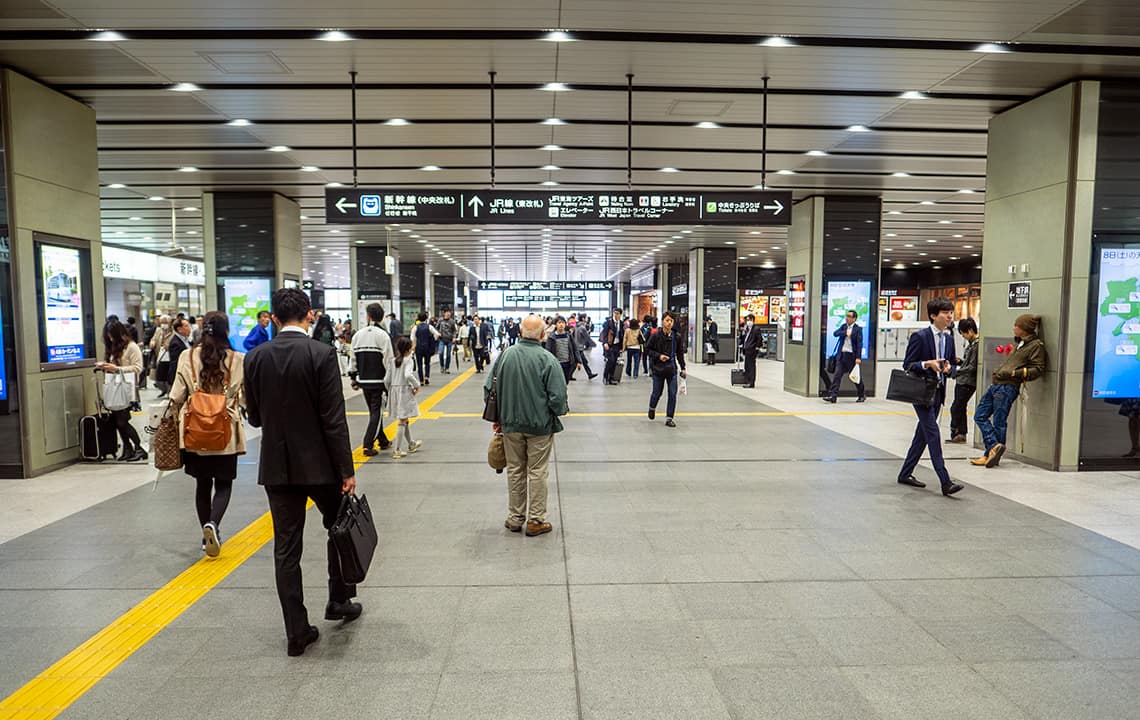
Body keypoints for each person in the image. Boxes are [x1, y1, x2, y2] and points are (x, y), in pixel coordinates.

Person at [243, 288, 360, 657]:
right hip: (321, 465)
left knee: (286, 548)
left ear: (274, 318)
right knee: (338, 527)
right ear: (309, 315)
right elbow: (333, 419)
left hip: (277, 467)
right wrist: (347, 468)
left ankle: (297, 632)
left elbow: (255, 416)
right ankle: (338, 600)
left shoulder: (255, 357)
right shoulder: (321, 354)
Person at [168, 312, 245, 557]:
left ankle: (205, 533)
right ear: (226, 331)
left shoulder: (187, 356)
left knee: (203, 484)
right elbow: (243, 397)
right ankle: (214, 523)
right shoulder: (237, 359)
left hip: (194, 430)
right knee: (223, 485)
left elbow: (176, 395)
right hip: (225, 431)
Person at [486, 314, 569, 537]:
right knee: (538, 472)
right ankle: (535, 520)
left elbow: (488, 388)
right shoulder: (548, 359)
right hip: (540, 427)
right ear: (543, 335)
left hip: (510, 425)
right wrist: (558, 412)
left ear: (521, 332)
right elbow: (558, 398)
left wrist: (500, 416)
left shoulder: (505, 356)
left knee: (515, 470)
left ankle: (515, 518)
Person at [897, 299, 965, 497]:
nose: (950, 316)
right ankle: (945, 481)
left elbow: (950, 367)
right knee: (933, 434)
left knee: (922, 436)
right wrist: (927, 364)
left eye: (951, 313)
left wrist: (949, 368)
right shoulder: (920, 337)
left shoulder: (949, 339)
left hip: (938, 393)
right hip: (922, 393)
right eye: (946, 313)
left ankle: (905, 473)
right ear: (934, 315)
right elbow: (908, 365)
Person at [971, 313, 1048, 468]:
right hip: (997, 384)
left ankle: (991, 454)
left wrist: (1015, 373)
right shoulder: (1020, 344)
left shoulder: (1035, 346)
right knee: (980, 415)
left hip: (1008, 387)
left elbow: (1038, 369)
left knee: (999, 421)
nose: (1014, 328)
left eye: (1016, 326)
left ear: (1024, 329)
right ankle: (993, 448)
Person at [96, 319, 147, 462]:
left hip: (127, 389)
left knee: (122, 422)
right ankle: (128, 448)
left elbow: (138, 368)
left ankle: (139, 448)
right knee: (118, 421)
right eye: (108, 336)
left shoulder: (131, 347)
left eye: (112, 335)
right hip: (115, 390)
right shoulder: (113, 347)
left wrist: (117, 369)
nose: (110, 339)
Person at [350, 302, 393, 456]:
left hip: (364, 381)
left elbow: (352, 359)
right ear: (381, 317)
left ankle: (383, 440)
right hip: (379, 382)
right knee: (377, 412)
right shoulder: (383, 336)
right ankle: (368, 444)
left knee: (374, 412)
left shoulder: (357, 335)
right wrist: (390, 381)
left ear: (368, 316)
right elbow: (388, 360)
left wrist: (354, 378)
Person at [645, 311, 687, 428]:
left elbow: (680, 354)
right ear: (662, 321)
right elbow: (647, 350)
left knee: (672, 394)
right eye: (667, 320)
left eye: (671, 321)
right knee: (657, 393)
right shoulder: (656, 336)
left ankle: (669, 418)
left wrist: (683, 367)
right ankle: (652, 407)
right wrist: (659, 356)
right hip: (658, 369)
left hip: (671, 369)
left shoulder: (676, 337)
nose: (669, 323)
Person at [387, 336, 423, 458]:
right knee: (402, 420)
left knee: (405, 418)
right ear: (408, 350)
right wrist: (416, 385)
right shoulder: (408, 360)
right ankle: (397, 449)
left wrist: (389, 390)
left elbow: (386, 379)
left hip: (394, 390)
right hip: (404, 391)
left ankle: (411, 443)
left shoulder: (392, 360)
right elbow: (408, 374)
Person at [947, 318, 979, 444]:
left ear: (970, 330)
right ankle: (960, 433)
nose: (963, 337)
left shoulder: (976, 345)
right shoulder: (972, 344)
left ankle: (959, 432)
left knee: (956, 407)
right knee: (959, 407)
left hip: (967, 382)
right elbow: (968, 362)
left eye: (964, 333)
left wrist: (955, 372)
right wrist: (960, 361)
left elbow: (972, 367)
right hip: (963, 380)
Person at [824, 310, 866, 403]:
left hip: (852, 356)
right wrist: (845, 333)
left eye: (849, 316)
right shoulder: (843, 327)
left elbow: (859, 344)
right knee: (837, 376)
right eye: (847, 316)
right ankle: (833, 396)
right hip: (842, 355)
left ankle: (861, 394)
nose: (847, 318)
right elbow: (835, 333)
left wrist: (858, 357)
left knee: (855, 377)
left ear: (854, 319)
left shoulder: (858, 329)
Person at [545, 316, 581, 383]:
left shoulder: (569, 335)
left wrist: (579, 361)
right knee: (557, 383)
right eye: (559, 323)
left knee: (565, 382)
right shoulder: (551, 337)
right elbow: (548, 351)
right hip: (556, 364)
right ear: (556, 324)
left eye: (563, 323)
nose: (561, 324)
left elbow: (575, 348)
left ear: (565, 324)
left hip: (568, 363)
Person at [412, 312, 440, 385]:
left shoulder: (415, 327)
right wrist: (433, 340)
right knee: (427, 363)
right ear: (426, 318)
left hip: (419, 348)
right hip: (427, 347)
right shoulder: (429, 327)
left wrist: (413, 348)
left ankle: (421, 381)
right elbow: (436, 334)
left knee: (419, 364)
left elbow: (412, 339)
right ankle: (426, 377)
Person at [166, 316, 194, 389]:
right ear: (179, 329)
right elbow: (176, 362)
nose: (189, 328)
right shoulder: (176, 343)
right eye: (186, 326)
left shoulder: (186, 340)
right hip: (179, 377)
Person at [150, 316, 174, 398]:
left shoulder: (173, 331)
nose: (164, 325)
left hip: (169, 356)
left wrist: (169, 346)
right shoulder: (158, 330)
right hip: (160, 354)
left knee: (168, 375)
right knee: (159, 376)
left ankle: (169, 391)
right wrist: (152, 342)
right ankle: (163, 390)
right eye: (162, 323)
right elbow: (153, 339)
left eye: (165, 323)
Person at [600, 308, 623, 385]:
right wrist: (605, 343)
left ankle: (611, 378)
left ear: (620, 315)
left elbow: (621, 335)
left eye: (617, 313)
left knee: (614, 362)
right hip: (610, 344)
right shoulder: (608, 322)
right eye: (614, 313)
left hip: (617, 344)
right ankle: (605, 377)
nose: (616, 315)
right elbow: (605, 333)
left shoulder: (621, 323)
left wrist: (622, 347)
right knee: (610, 361)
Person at [574, 316, 598, 380]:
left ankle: (589, 374)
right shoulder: (582, 327)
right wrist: (593, 344)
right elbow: (587, 337)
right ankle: (568, 376)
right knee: (578, 363)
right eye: (586, 318)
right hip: (579, 347)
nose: (587, 319)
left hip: (576, 346)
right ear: (583, 318)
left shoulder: (577, 326)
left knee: (583, 362)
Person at [741, 314, 761, 388]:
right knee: (747, 366)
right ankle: (747, 380)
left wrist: (757, 347)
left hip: (752, 350)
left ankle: (751, 382)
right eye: (747, 320)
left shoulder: (756, 329)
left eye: (749, 320)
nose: (748, 321)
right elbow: (744, 338)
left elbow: (759, 339)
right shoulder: (747, 329)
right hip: (747, 349)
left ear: (752, 320)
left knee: (751, 366)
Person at [437, 309, 458, 374]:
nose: (448, 314)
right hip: (441, 339)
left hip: (449, 340)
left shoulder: (452, 321)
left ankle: (447, 368)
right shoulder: (440, 320)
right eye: (447, 313)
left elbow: (454, 330)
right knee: (440, 353)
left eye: (449, 313)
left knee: (448, 355)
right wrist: (438, 333)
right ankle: (442, 366)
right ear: (444, 313)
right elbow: (436, 327)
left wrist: (454, 337)